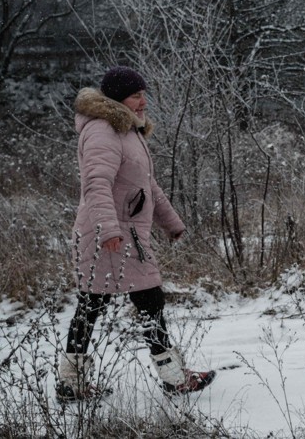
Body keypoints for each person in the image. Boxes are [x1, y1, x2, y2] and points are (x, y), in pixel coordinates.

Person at [55, 66, 215, 401]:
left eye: (143, 94)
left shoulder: (127, 130)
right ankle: (172, 379)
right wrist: (108, 229)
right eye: (135, 95)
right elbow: (96, 184)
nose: (143, 102)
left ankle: (72, 383)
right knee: (133, 302)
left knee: (99, 305)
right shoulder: (103, 130)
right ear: (117, 99)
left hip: (125, 235)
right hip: (111, 236)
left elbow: (147, 185)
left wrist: (171, 222)